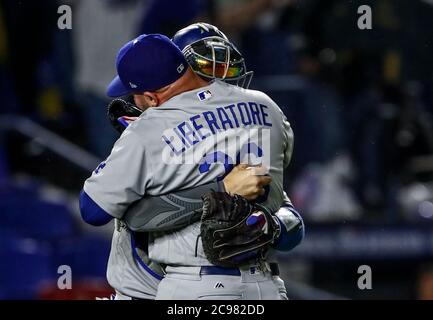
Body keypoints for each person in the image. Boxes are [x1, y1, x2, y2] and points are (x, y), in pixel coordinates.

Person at [80, 30, 300, 300]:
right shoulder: (267, 106)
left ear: (150, 97)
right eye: (208, 65)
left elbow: (93, 210)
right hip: (268, 287)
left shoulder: (149, 130)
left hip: (195, 285)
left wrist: (220, 189)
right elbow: (285, 207)